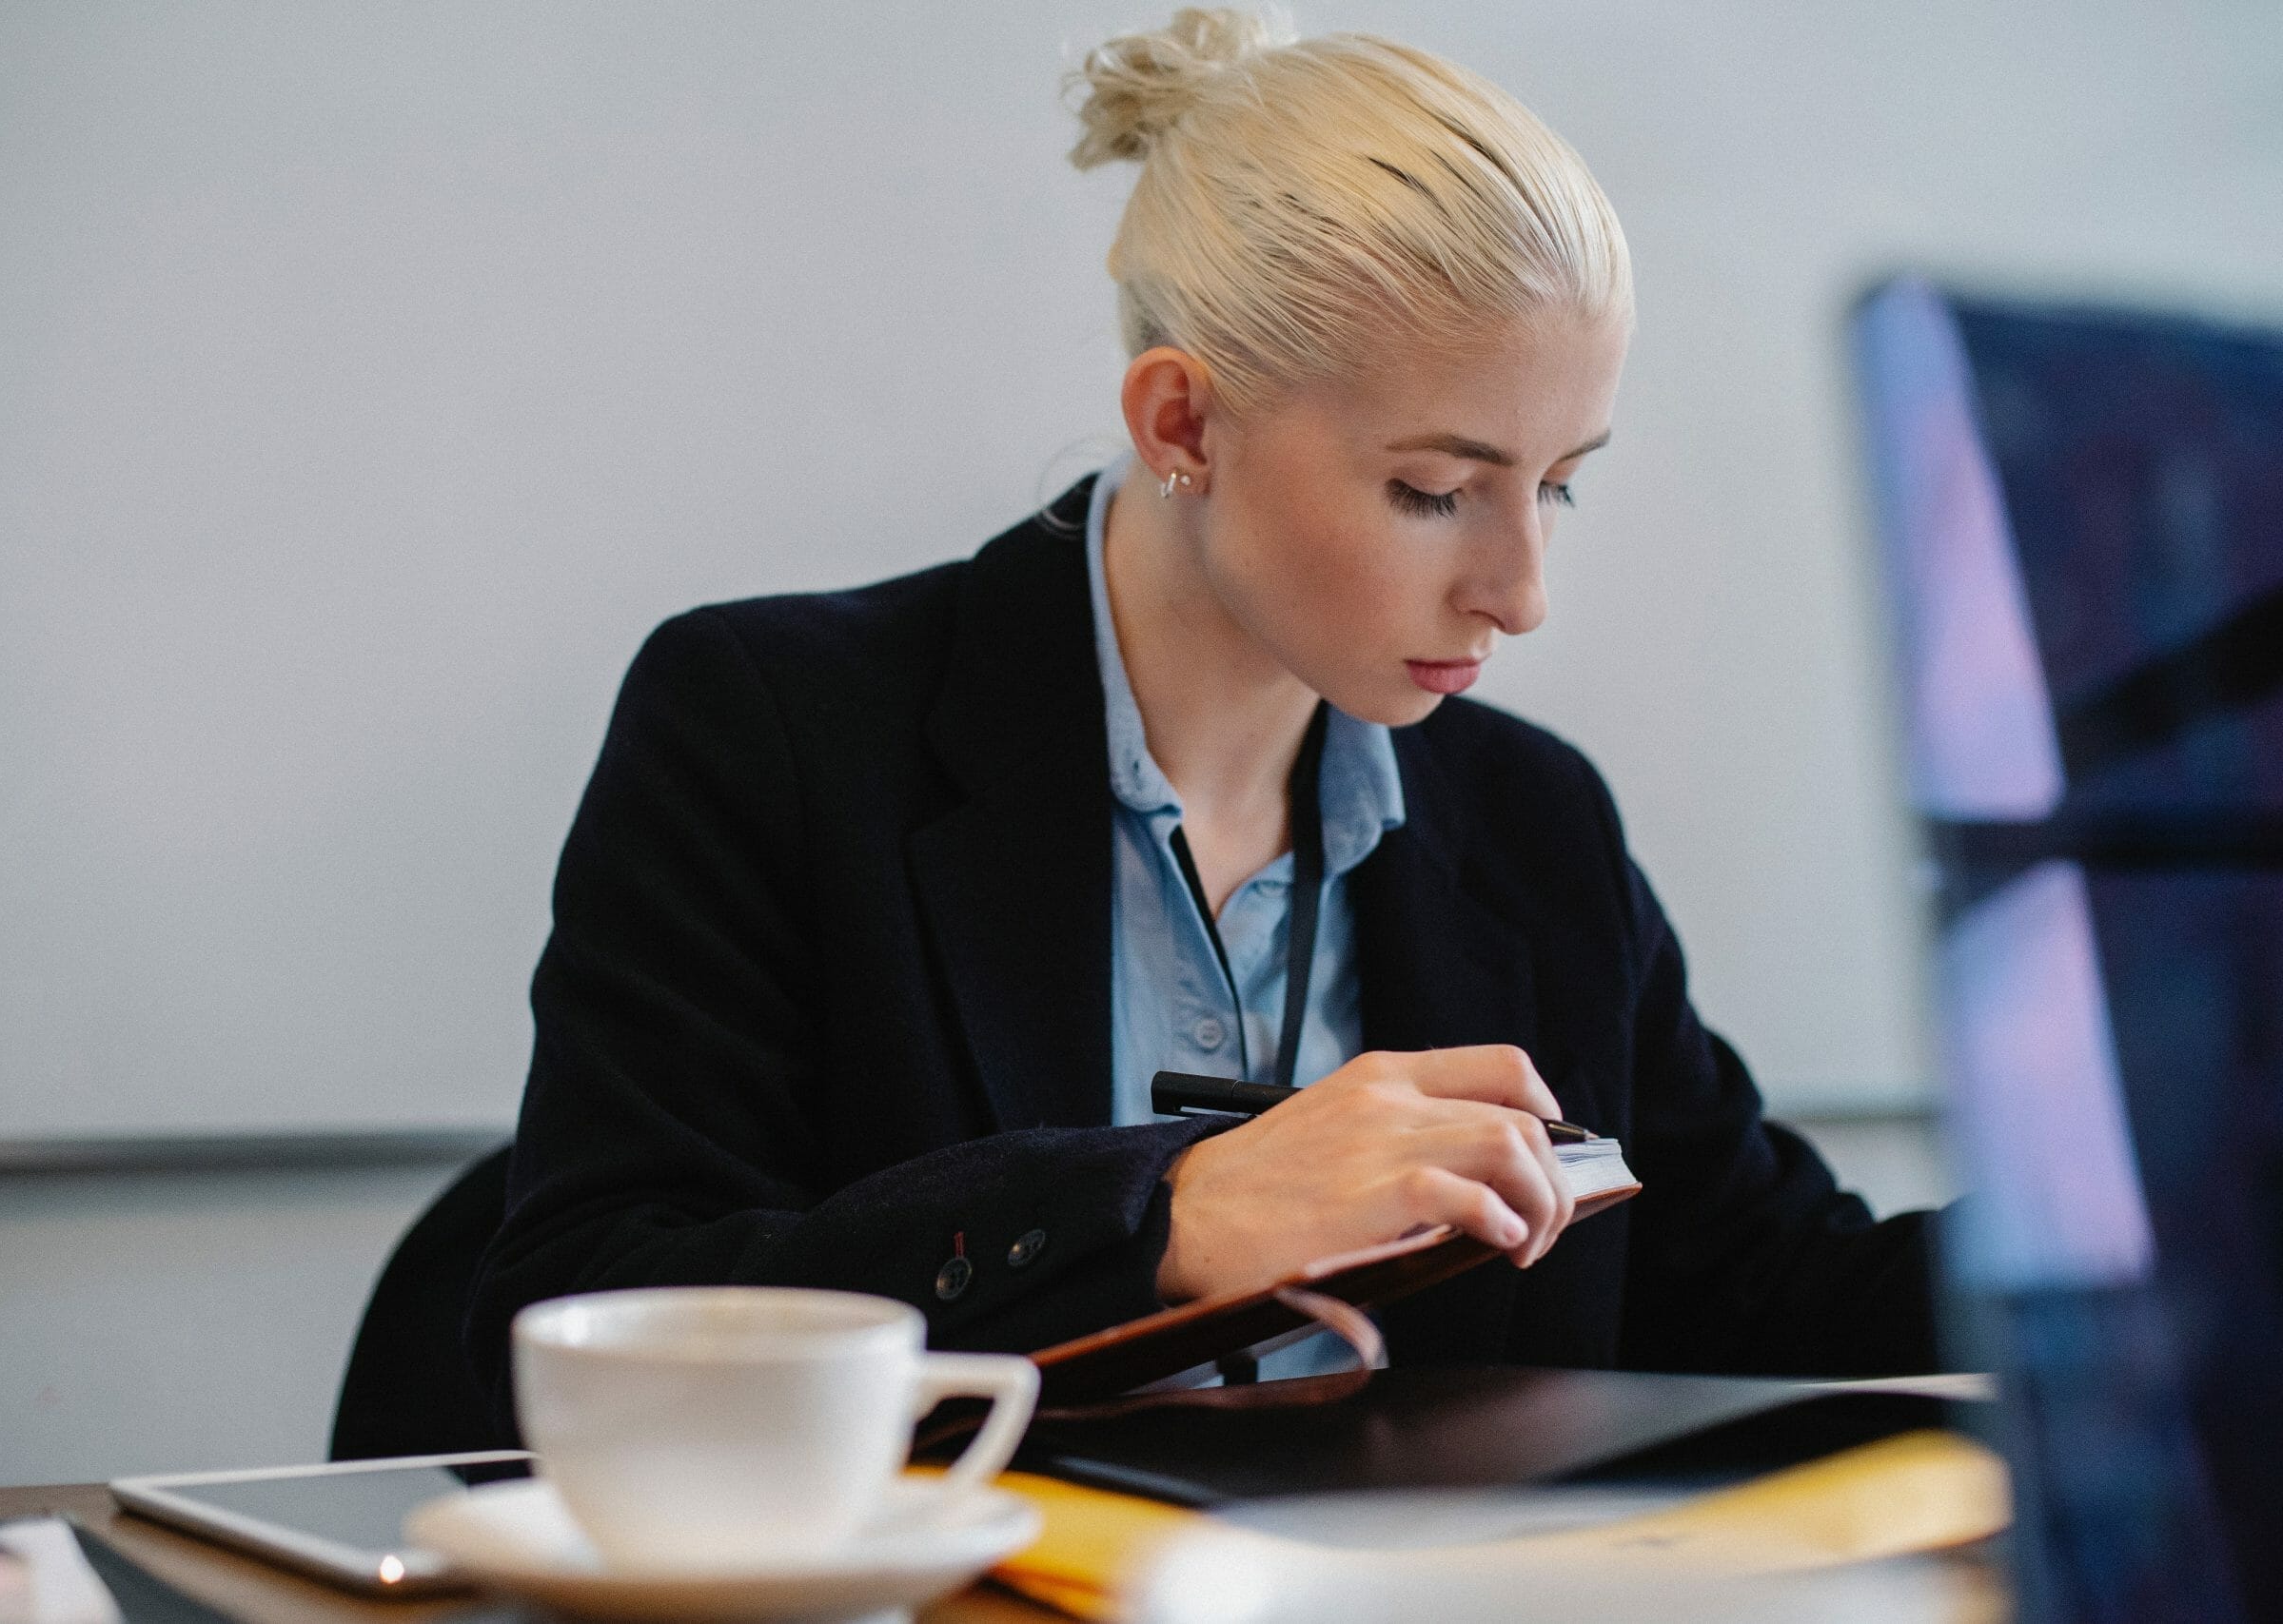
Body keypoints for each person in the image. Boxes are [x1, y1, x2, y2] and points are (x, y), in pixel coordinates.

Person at [465, 9, 1938, 1420]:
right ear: (1183, 424)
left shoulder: (1535, 825)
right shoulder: (771, 733)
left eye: (1556, 483)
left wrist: (2132, 1235)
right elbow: (586, 1310)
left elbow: (1763, 1285)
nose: (1520, 594)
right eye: (1435, 490)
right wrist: (1163, 1214)